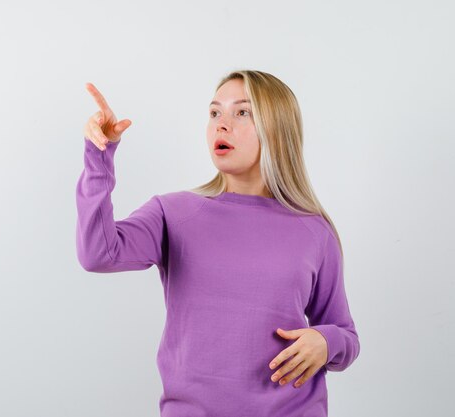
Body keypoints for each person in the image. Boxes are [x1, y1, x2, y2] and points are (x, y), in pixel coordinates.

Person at [75, 70, 360, 417]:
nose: (221, 125)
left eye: (242, 112)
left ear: (277, 128)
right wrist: (99, 156)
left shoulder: (315, 231)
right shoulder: (173, 213)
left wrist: (325, 341)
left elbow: (345, 334)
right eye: (214, 113)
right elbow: (98, 254)